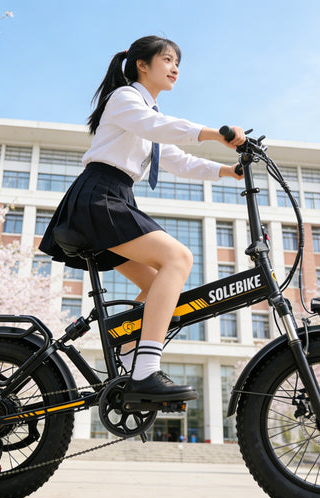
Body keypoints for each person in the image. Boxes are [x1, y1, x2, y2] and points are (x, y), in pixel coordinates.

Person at [39, 35, 245, 402]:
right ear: (142, 65)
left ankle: (130, 353)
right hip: (99, 195)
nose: (175, 68)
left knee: (158, 285)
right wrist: (215, 133)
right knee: (178, 259)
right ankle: (146, 370)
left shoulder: (149, 117)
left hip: (115, 197)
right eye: (167, 59)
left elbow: (178, 160)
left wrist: (228, 172)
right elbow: (158, 129)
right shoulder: (125, 99)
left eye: (178, 62)